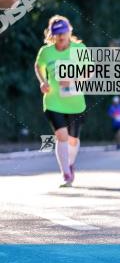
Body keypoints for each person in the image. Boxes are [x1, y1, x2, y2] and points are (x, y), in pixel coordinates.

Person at [33, 16, 88, 186]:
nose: (61, 37)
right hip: (53, 102)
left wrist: (74, 79)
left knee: (73, 140)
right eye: (57, 34)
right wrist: (43, 81)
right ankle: (65, 173)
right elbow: (38, 66)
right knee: (61, 136)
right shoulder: (46, 52)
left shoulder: (79, 48)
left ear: (69, 31)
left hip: (75, 103)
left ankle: (70, 164)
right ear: (52, 35)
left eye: (63, 33)